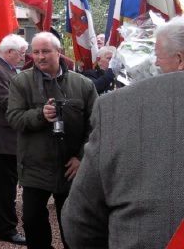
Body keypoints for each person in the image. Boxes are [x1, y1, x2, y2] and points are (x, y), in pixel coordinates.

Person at [62, 16, 184, 248]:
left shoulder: (118, 107)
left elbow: (80, 219)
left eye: (156, 55)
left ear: (179, 60)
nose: (154, 64)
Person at [7, 31, 97, 249]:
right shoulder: (21, 82)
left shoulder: (83, 85)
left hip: (70, 168)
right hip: (35, 168)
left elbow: (96, 126)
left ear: (59, 53)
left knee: (73, 226)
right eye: (35, 52)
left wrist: (81, 158)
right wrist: (40, 115)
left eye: (46, 51)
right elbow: (13, 117)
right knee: (33, 222)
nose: (40, 57)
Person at [0, 34, 27, 245]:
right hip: (4, 138)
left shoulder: (5, 69)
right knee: (6, 187)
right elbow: (8, 102)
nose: (22, 57)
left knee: (4, 185)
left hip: (9, 137)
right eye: (21, 53)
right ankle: (8, 229)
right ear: (9, 52)